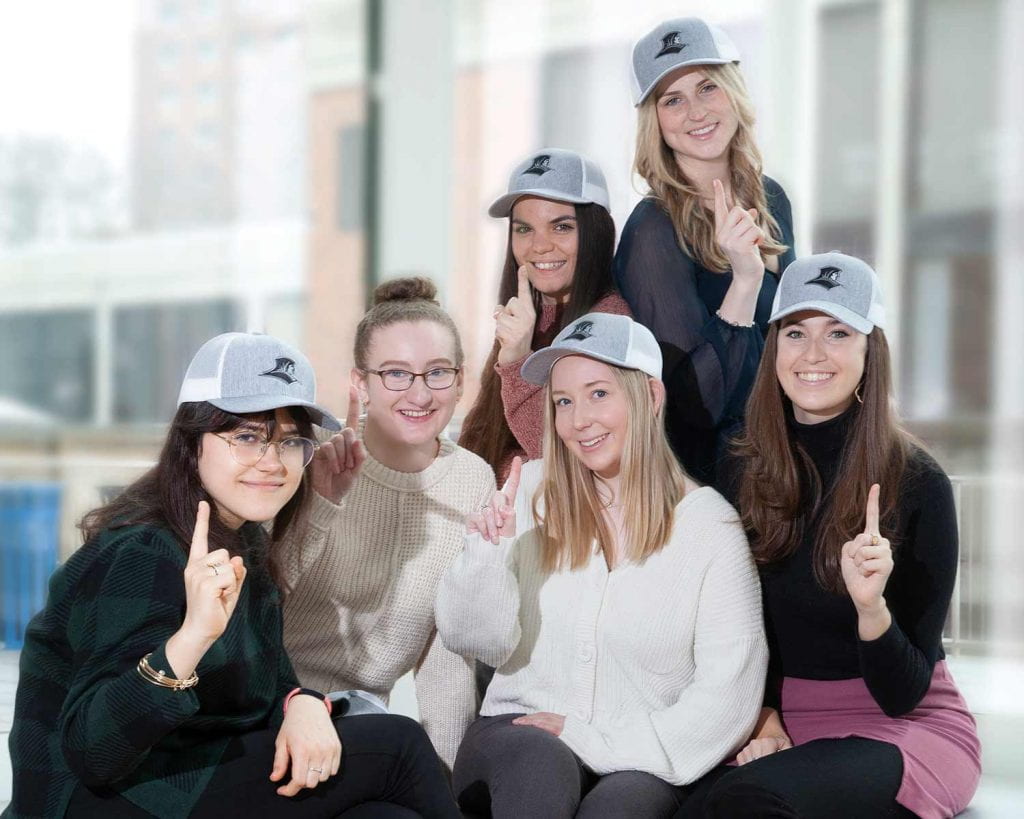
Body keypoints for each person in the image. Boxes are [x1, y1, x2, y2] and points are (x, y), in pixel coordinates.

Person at [4, 332, 461, 819]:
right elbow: (94, 752)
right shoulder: (141, 550)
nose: (272, 463)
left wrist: (305, 703)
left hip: (186, 776)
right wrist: (192, 638)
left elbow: (270, 681)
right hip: (95, 799)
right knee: (398, 744)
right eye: (246, 437)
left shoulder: (243, 542)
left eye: (289, 442)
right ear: (191, 442)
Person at [678, 253, 981, 818]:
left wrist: (872, 611)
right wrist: (763, 715)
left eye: (838, 333)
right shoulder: (739, 468)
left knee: (750, 802)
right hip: (785, 719)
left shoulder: (918, 482)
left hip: (902, 727)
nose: (813, 354)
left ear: (871, 353)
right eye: (796, 332)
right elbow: (733, 629)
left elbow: (905, 693)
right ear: (774, 350)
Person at [436, 312, 767, 819]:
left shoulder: (711, 530)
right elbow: (478, 641)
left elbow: (727, 696)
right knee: (540, 764)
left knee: (624, 806)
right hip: (518, 733)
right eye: (563, 402)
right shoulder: (527, 491)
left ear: (650, 397)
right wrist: (486, 554)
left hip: (644, 752)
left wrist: (594, 740)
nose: (578, 420)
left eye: (598, 394)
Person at [280, 277, 496, 773]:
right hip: (272, 703)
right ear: (360, 383)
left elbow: (447, 654)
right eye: (396, 374)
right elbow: (261, 594)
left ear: (461, 380)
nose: (419, 394)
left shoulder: (473, 481)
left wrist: (447, 782)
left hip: (362, 723)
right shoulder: (313, 454)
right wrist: (320, 506)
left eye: (437, 373)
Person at [616, 17, 796, 484]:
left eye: (707, 88)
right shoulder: (652, 230)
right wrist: (745, 280)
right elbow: (695, 409)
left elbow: (792, 345)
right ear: (654, 120)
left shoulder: (770, 199)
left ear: (733, 92)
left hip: (786, 453)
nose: (696, 111)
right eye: (672, 100)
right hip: (715, 481)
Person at [459, 147, 631, 484]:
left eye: (561, 227)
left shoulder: (610, 323)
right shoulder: (528, 312)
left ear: (596, 233)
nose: (539, 246)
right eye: (524, 229)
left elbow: (574, 460)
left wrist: (517, 360)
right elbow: (488, 434)